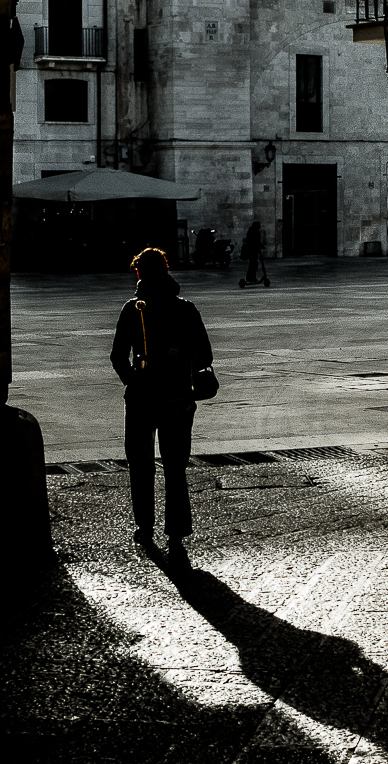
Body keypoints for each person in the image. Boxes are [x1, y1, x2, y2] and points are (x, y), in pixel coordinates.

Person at [110, 246, 213, 568]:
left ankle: (145, 526)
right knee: (175, 468)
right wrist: (179, 359)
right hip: (179, 397)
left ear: (139, 273)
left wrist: (134, 379)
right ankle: (177, 531)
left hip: (141, 399)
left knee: (141, 466)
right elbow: (206, 355)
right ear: (167, 270)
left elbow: (117, 356)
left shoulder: (133, 309)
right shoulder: (186, 308)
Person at [238, 220, 269, 289]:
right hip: (252, 250)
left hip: (253, 250)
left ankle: (251, 277)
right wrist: (261, 245)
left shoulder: (251, 230)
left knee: (253, 264)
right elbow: (255, 241)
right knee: (253, 264)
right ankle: (250, 278)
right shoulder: (255, 231)